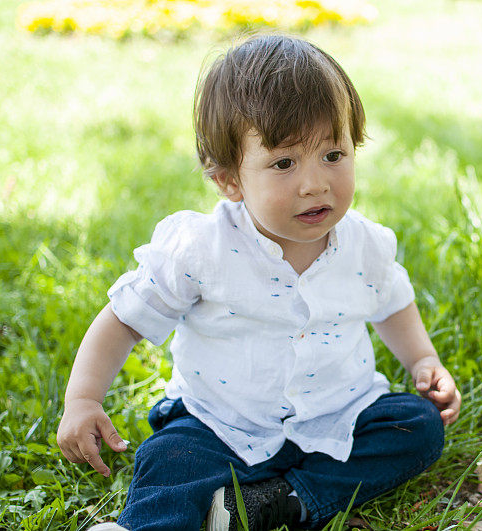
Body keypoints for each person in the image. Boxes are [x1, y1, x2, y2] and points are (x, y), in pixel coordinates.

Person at [56, 32, 461, 531]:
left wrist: (422, 359)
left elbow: (392, 302)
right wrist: (84, 399)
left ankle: (287, 500)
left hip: (337, 415)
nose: (315, 183)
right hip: (221, 423)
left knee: (417, 428)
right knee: (171, 459)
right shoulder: (201, 248)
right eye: (284, 163)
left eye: (333, 155)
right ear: (229, 179)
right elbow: (124, 320)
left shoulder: (364, 245)